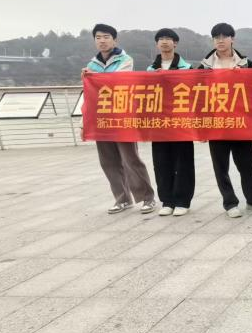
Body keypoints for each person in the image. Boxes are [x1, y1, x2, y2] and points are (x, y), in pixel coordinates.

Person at [82, 23, 156, 215]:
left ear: (114, 40)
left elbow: (116, 81)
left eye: (106, 37)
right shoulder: (92, 65)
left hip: (122, 116)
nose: (102, 41)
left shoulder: (125, 60)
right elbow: (90, 93)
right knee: (108, 161)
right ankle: (122, 199)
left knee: (130, 159)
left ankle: (147, 197)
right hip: (101, 118)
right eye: (98, 37)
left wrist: (94, 77)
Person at [199, 22, 252, 218]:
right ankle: (230, 203)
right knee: (221, 166)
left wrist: (245, 77)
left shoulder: (246, 64)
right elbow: (198, 97)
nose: (220, 40)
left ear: (232, 39)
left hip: (241, 123)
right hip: (216, 123)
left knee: (247, 164)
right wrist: (201, 127)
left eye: (224, 37)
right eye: (216, 37)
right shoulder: (204, 66)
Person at [147, 28, 194, 216]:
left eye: (168, 38)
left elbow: (194, 96)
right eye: (161, 39)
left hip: (181, 123)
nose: (164, 42)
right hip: (159, 124)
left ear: (175, 43)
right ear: (157, 44)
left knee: (183, 162)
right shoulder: (150, 70)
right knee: (161, 162)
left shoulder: (187, 68)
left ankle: (183, 201)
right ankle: (167, 201)